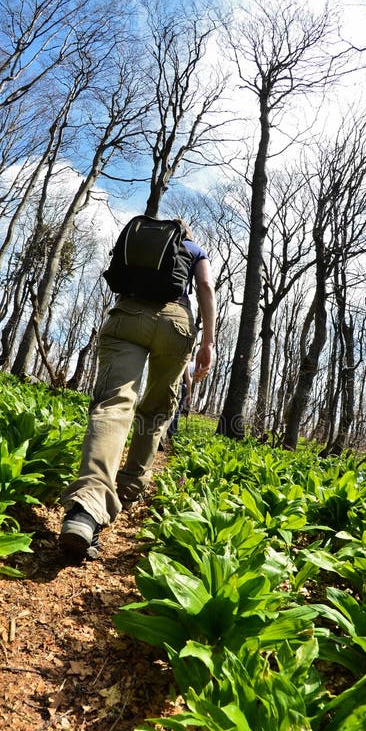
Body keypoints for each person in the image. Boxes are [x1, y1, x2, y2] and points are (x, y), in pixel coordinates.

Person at [59, 218, 216, 559]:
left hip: (127, 315)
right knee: (156, 410)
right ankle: (129, 488)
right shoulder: (194, 249)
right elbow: (205, 286)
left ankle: (86, 508)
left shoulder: (140, 245)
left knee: (114, 405)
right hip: (175, 324)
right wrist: (208, 342)